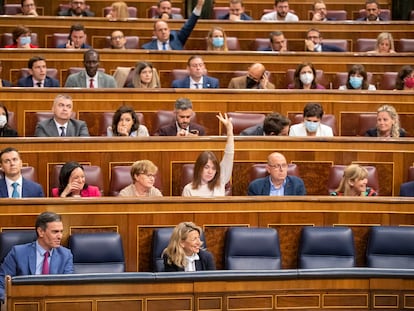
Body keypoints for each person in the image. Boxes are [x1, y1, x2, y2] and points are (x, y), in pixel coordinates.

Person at [0, 211, 73, 301]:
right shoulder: (18, 253)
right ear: (41, 232)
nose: (60, 236)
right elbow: (2, 283)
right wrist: (8, 303)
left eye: (61, 232)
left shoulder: (65, 255)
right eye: (55, 232)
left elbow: (68, 288)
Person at [182, 113, 233, 197]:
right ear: (199, 168)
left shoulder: (221, 181)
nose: (210, 172)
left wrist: (229, 132)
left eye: (214, 168)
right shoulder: (188, 189)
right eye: (206, 167)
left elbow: (229, 155)